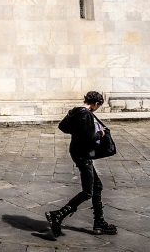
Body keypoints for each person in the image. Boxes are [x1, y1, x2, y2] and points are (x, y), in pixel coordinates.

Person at [45, 91, 117, 237]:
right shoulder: (88, 114)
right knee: (88, 191)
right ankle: (57, 215)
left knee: (97, 186)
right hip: (84, 155)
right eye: (98, 106)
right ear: (96, 103)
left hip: (76, 151)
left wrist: (77, 133)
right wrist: (101, 133)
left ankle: (99, 222)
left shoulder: (74, 112)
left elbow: (62, 127)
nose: (97, 108)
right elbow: (91, 138)